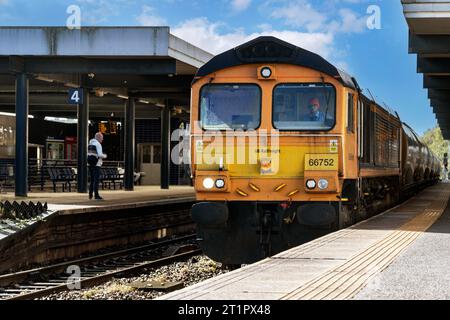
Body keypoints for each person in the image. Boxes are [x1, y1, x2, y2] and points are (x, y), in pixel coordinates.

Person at [87, 132, 107, 200]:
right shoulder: (98, 144)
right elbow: (100, 155)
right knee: (96, 180)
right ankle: (96, 195)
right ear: (99, 138)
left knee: (92, 180)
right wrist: (105, 156)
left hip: (90, 164)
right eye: (102, 138)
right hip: (97, 164)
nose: (102, 139)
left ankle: (90, 194)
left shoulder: (90, 143)